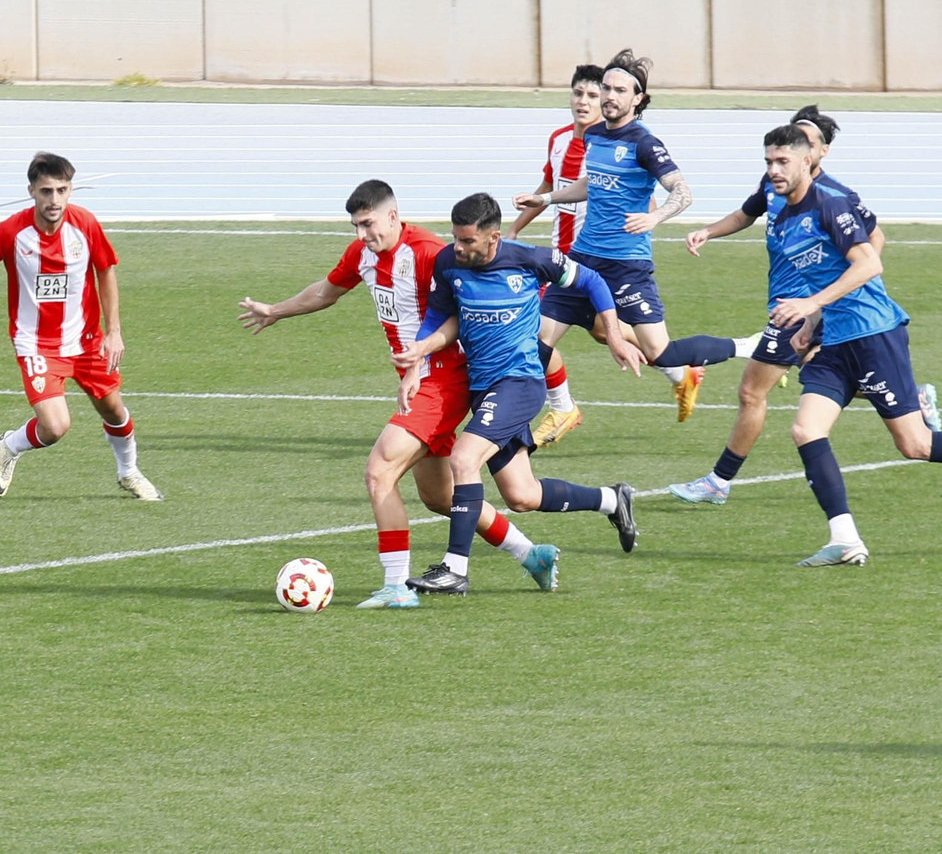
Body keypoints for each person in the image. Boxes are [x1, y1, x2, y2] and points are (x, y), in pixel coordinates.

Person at [238, 180, 562, 609]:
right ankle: (531, 555)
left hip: (443, 379)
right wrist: (275, 310)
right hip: (421, 379)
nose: (361, 235)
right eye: (355, 226)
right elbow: (327, 291)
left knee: (379, 471)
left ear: (393, 215)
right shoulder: (362, 255)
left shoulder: (428, 253)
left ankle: (396, 586)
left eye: (368, 223)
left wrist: (423, 366)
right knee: (441, 497)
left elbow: (471, 308)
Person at [749, 125, 942, 566]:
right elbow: (826, 276)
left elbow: (868, 263)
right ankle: (845, 538)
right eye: (768, 162)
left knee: (915, 444)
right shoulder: (781, 219)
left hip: (874, 334)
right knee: (805, 430)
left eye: (782, 161)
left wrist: (809, 304)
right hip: (835, 339)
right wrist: (812, 321)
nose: (774, 170)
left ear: (807, 161)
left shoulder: (829, 205)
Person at [668, 106, 941, 506]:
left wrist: (824, 300)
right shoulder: (775, 185)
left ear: (817, 153)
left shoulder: (835, 197)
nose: (787, 157)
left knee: (751, 391)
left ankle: (718, 481)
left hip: (807, 311)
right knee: (822, 376)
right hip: (790, 305)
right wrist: (708, 231)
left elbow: (872, 243)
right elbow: (748, 213)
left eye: (805, 143)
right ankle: (913, 398)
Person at [394, 193, 648, 596]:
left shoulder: (528, 260)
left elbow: (593, 281)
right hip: (484, 389)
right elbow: (438, 318)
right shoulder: (448, 264)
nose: (458, 248)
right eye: (456, 239)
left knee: (463, 459)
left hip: (519, 383)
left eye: (468, 242)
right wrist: (415, 364)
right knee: (522, 496)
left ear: (493, 238)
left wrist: (614, 334)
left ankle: (455, 569)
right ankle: (612, 501)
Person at [0, 151, 161, 502]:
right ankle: (10, 445)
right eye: (47, 191)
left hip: (87, 341)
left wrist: (114, 331)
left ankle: (129, 473)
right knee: (55, 427)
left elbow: (105, 271)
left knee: (114, 410)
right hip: (36, 344)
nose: (54, 199)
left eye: (62, 190)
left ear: (71, 190)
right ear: (31, 191)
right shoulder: (12, 232)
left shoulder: (85, 225)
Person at [512, 49, 708, 428]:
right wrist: (545, 198)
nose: (608, 95)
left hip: (625, 264)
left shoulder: (645, 143)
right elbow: (592, 183)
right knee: (537, 341)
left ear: (639, 99)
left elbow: (682, 192)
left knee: (655, 348)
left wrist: (655, 217)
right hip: (582, 259)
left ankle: (729, 353)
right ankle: (535, 415)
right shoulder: (595, 136)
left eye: (619, 89)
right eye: (606, 87)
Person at [507, 64, 646, 447]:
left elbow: (637, 192)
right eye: (578, 94)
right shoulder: (558, 139)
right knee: (599, 331)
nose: (584, 102)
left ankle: (561, 407)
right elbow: (550, 186)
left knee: (579, 332)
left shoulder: (611, 144)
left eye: (591, 95)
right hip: (557, 258)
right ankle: (680, 369)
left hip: (595, 260)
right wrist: (517, 227)